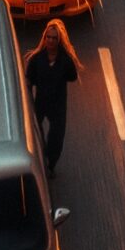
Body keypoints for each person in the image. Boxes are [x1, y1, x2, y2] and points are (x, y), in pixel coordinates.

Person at [25, 20, 82, 175]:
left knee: (56, 138)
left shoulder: (65, 61)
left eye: (54, 38)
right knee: (36, 133)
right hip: (40, 102)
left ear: (59, 40)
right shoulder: (36, 59)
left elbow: (72, 77)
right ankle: (41, 159)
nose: (50, 40)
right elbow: (28, 80)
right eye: (48, 37)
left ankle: (51, 163)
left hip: (58, 105)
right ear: (45, 38)